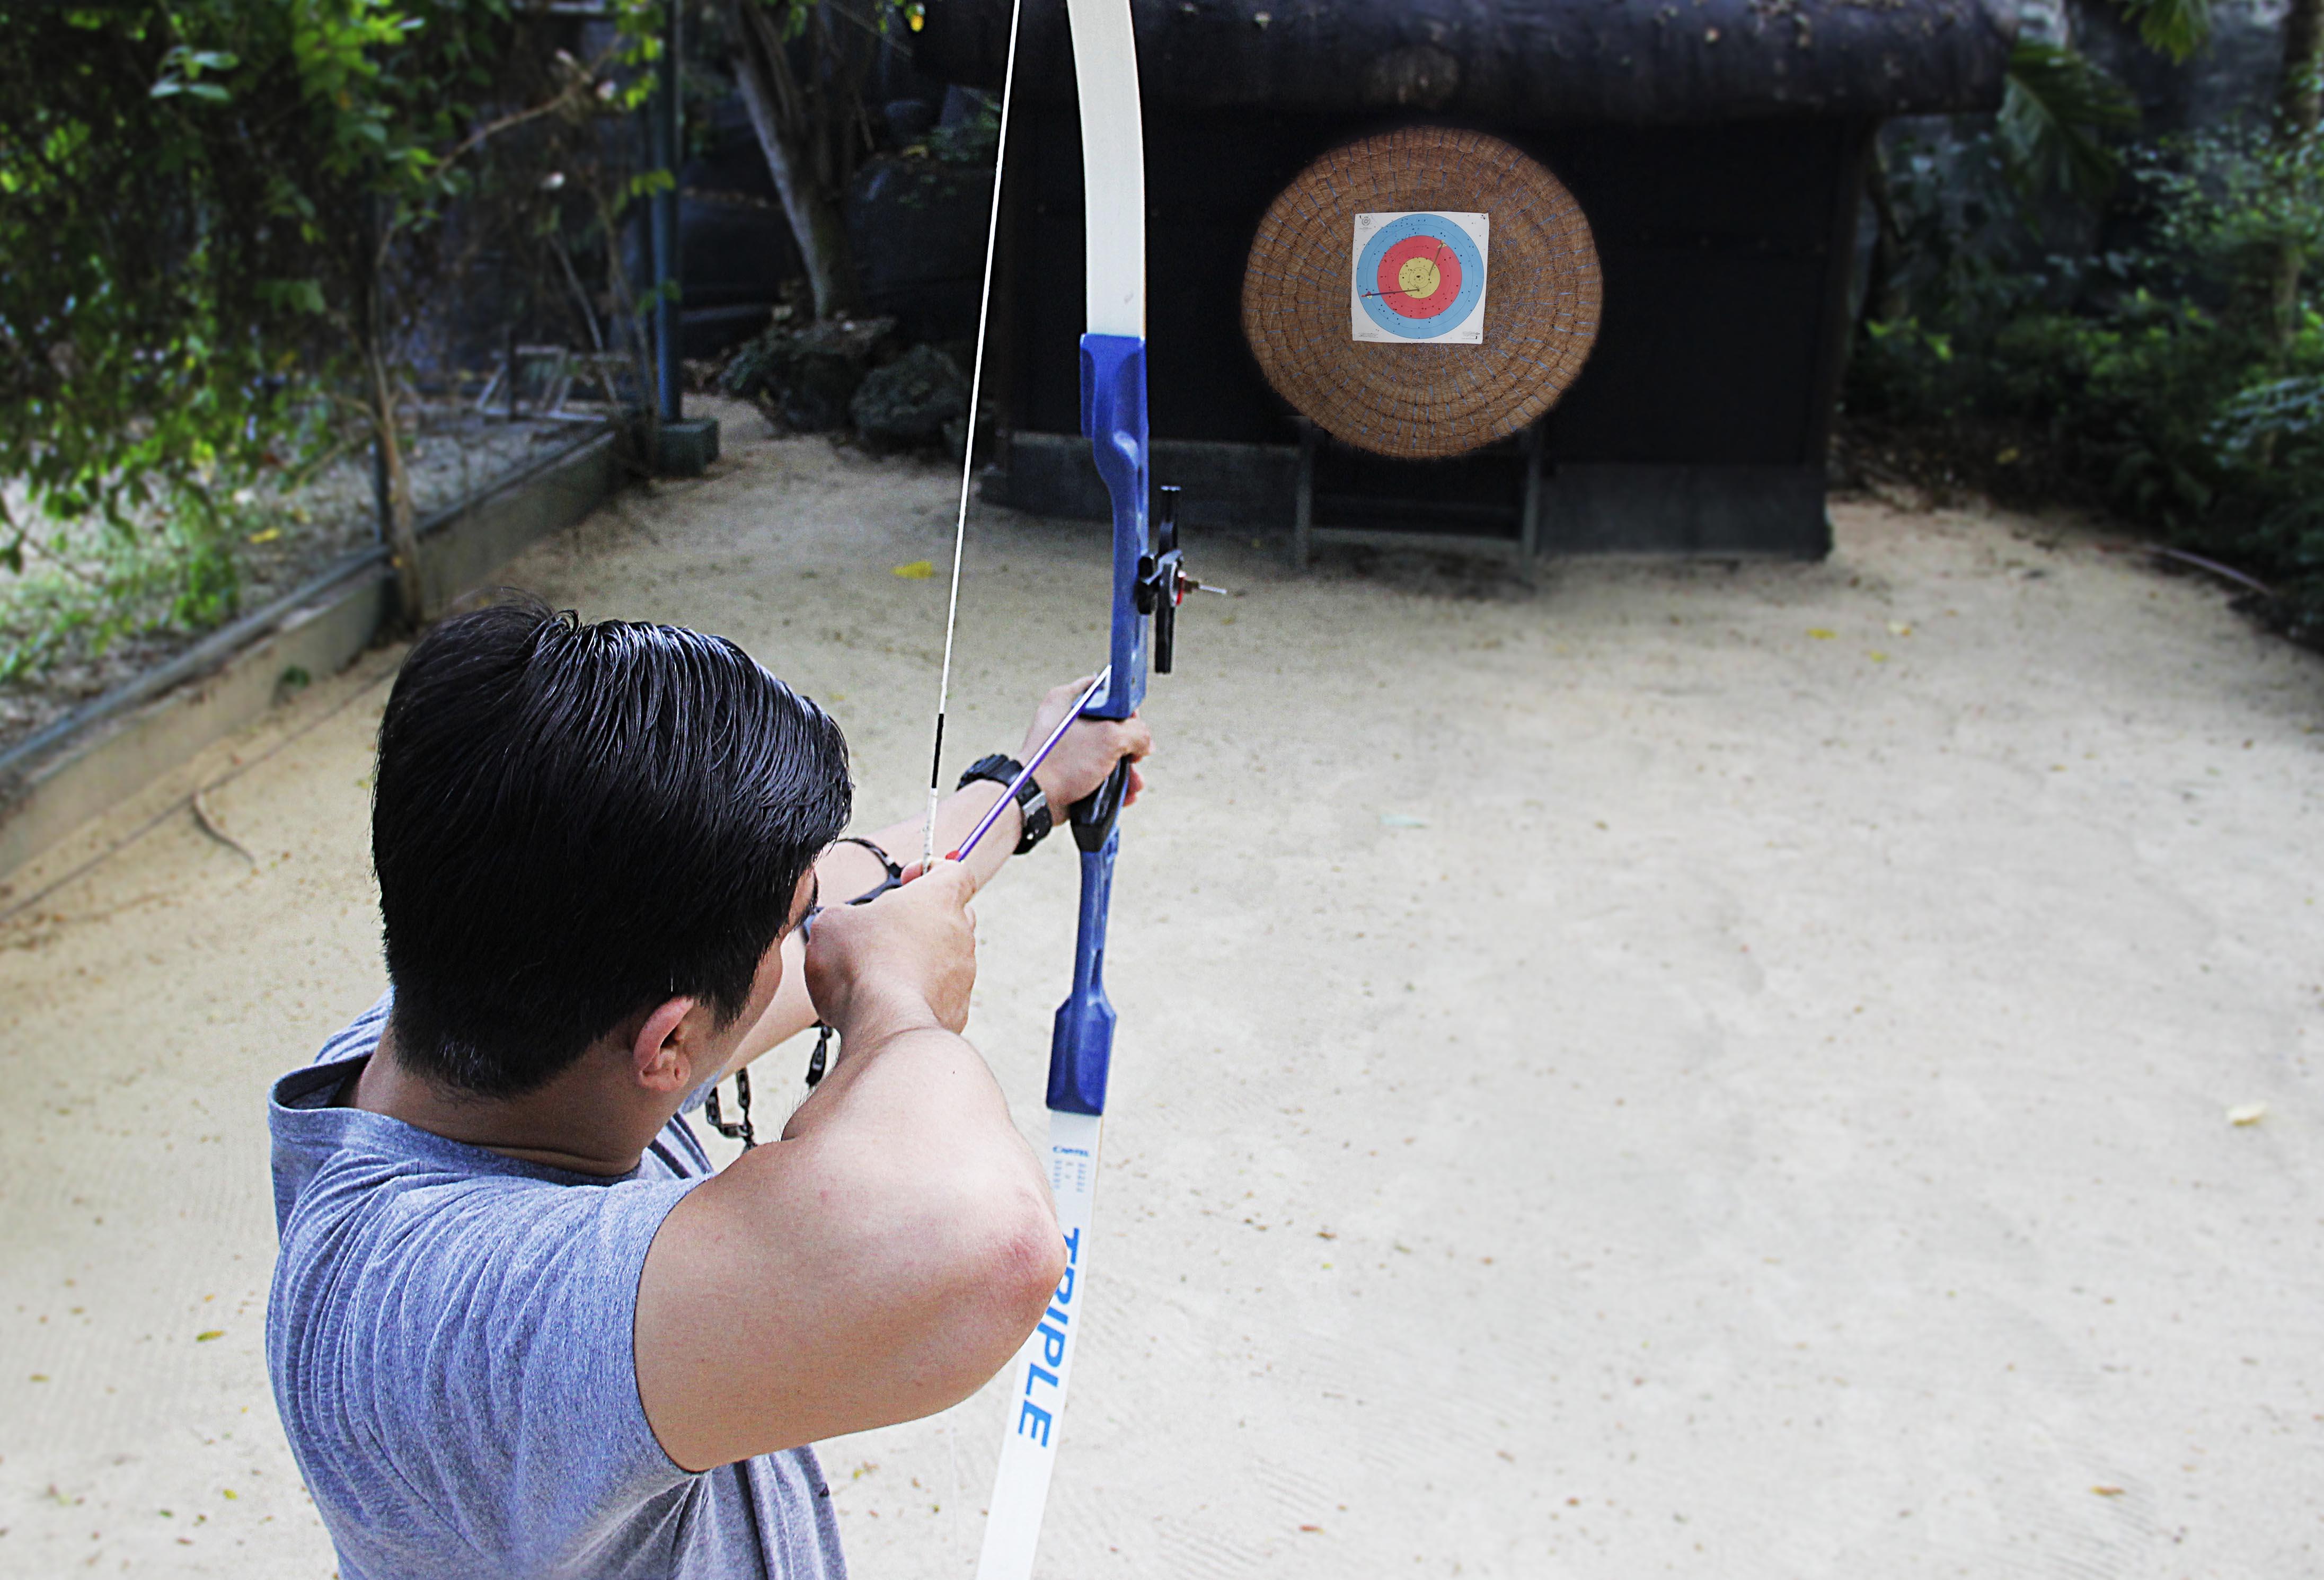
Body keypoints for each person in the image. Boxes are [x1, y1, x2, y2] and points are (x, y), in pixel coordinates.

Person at [264, 596, 1153, 1579]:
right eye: (787, 936)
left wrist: (1022, 789)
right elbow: (993, 1241)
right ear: (668, 1042)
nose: (803, 944)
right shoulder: (450, 1328)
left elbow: (836, 891)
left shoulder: (496, 1009)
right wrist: (896, 1004)